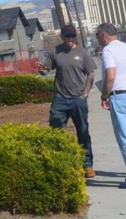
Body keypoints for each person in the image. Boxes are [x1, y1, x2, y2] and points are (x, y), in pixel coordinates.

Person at [38, 23, 96, 177]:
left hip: (78, 99)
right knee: (56, 131)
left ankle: (87, 165)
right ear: (62, 36)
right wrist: (42, 71)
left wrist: (85, 95)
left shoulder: (83, 53)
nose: (70, 39)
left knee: (83, 132)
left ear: (75, 36)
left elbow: (90, 74)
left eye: (72, 36)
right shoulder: (55, 52)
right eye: (67, 36)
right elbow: (46, 70)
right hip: (60, 99)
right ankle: (62, 163)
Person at [96, 22, 126, 176]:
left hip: (119, 97)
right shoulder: (124, 46)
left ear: (103, 35)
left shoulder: (108, 50)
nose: (98, 40)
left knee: (124, 137)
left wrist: (104, 96)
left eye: (97, 36)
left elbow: (110, 76)